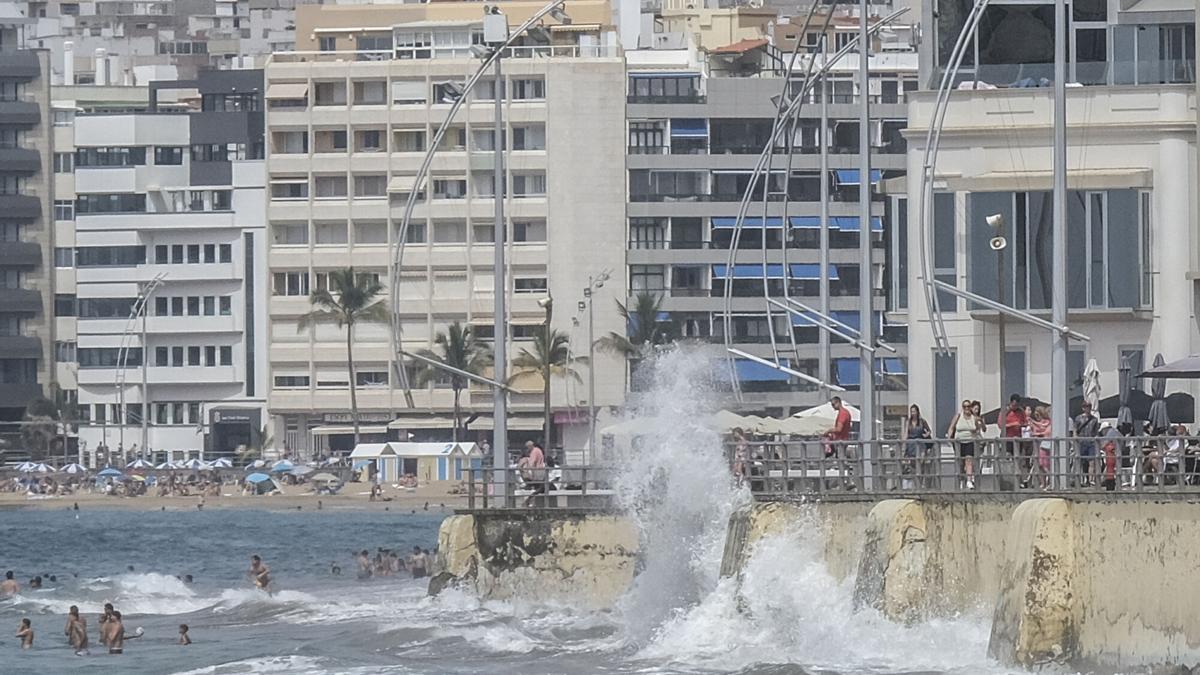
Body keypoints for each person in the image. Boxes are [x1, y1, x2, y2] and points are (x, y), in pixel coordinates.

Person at [947, 399, 981, 489]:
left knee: (968, 460)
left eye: (968, 406)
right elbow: (951, 427)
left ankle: (969, 480)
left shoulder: (974, 418)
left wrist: (976, 429)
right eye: (964, 406)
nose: (966, 408)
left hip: (970, 440)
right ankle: (962, 480)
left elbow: (978, 429)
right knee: (961, 463)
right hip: (959, 442)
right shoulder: (958, 416)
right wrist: (950, 438)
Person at [1072, 401, 1100, 487]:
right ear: (1083, 408)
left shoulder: (1094, 419)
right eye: (1085, 406)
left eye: (1089, 406)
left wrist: (1096, 440)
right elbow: (1075, 429)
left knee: (1091, 462)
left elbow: (1095, 432)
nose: (1087, 408)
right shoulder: (1078, 418)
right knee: (1081, 462)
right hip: (1081, 442)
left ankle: (1090, 480)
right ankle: (1081, 479)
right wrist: (1075, 437)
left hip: (1091, 442)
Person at [903, 405, 932, 485]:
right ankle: (915, 482)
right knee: (912, 463)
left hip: (920, 443)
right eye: (911, 411)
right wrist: (904, 443)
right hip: (911, 443)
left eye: (914, 411)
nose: (913, 413)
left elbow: (929, 431)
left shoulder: (922, 421)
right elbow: (906, 433)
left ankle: (921, 481)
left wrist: (926, 435)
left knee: (921, 462)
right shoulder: (908, 422)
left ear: (917, 412)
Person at [1031, 406, 1053, 490]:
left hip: (1048, 445)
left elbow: (1042, 426)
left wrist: (1032, 421)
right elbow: (1041, 427)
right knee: (1040, 464)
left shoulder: (1049, 422)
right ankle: (1043, 483)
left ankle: (1051, 482)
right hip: (1043, 445)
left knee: (1046, 465)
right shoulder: (1047, 423)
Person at [523, 442, 547, 508]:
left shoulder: (534, 451)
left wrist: (527, 469)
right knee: (539, 487)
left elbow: (532, 463)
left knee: (538, 486)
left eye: (528, 447)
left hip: (537, 470)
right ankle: (537, 503)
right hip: (540, 469)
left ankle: (531, 501)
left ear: (530, 446)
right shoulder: (538, 450)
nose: (527, 449)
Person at [1101, 422, 1120, 492]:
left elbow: (1104, 444)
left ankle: (1109, 484)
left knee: (1109, 467)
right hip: (1121, 453)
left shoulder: (1110, 433)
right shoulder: (1116, 431)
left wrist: (1101, 447)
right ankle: (1105, 480)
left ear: (1104, 429)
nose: (1102, 434)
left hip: (1114, 455)